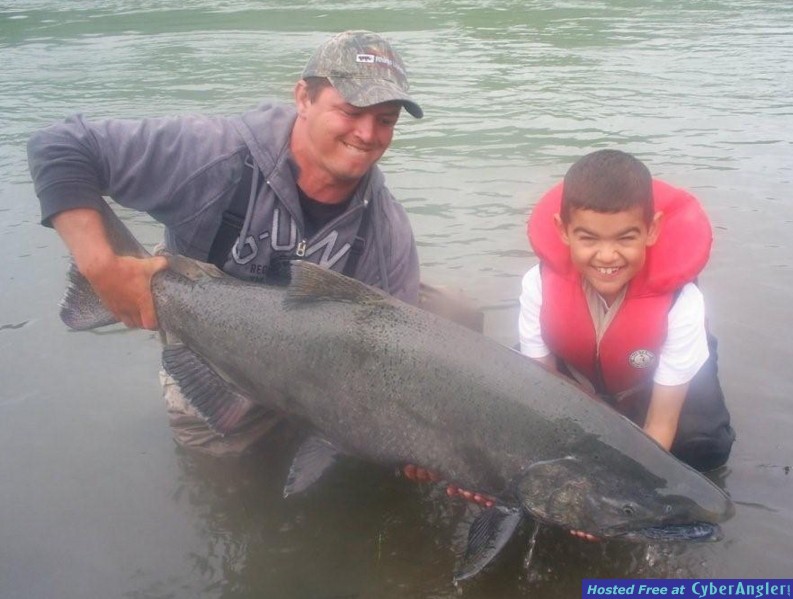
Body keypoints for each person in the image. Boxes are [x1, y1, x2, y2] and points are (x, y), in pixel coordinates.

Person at [28, 30, 431, 457]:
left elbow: (393, 361)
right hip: (215, 362)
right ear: (303, 99)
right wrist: (102, 267)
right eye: (351, 111)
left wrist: (431, 444)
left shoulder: (387, 228)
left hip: (318, 374)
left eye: (385, 120)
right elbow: (61, 146)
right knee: (223, 488)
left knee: (442, 317)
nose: (368, 134)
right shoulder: (216, 154)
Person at [519, 149, 735, 474]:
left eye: (625, 237)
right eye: (589, 238)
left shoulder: (682, 302)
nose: (607, 256)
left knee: (703, 445)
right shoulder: (538, 283)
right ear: (563, 231)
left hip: (651, 386)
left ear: (652, 230)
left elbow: (662, 422)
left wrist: (623, 490)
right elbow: (542, 390)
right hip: (578, 373)